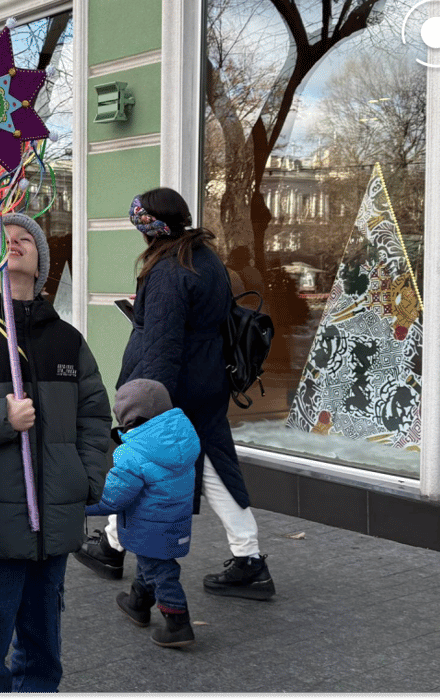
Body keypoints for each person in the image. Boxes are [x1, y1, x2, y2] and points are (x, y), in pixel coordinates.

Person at [0, 213, 112, 693]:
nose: (13, 243)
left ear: (41, 262)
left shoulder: (67, 341)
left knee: (44, 649)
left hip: (54, 524)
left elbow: (95, 415)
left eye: (25, 238)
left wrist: (86, 478)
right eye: (2, 239)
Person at [102, 188, 277, 600]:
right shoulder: (204, 258)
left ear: (150, 230)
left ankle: (113, 548)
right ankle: (248, 559)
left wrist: (149, 407)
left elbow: (162, 346)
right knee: (215, 466)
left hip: (173, 390)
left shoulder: (168, 271)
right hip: (207, 382)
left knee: (142, 465)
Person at [87, 379, 200, 647]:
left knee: (161, 572)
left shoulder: (133, 452)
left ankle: (178, 623)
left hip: (148, 526)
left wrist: (79, 504)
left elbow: (113, 498)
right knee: (151, 564)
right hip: (176, 522)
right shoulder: (182, 437)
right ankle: (137, 603)